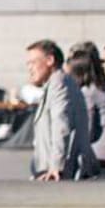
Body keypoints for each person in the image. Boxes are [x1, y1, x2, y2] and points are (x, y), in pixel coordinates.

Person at [24, 39, 97, 181]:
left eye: (33, 62)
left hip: (57, 175)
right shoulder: (57, 83)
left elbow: (61, 125)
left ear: (50, 60)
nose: (29, 68)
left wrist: (56, 166)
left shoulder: (59, 83)